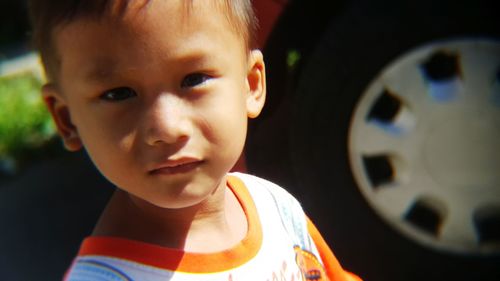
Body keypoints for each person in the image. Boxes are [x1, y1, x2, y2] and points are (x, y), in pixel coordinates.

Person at [28, 0, 361, 280]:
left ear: (251, 84)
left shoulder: (275, 207)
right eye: (119, 94)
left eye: (194, 79)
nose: (166, 128)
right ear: (67, 119)